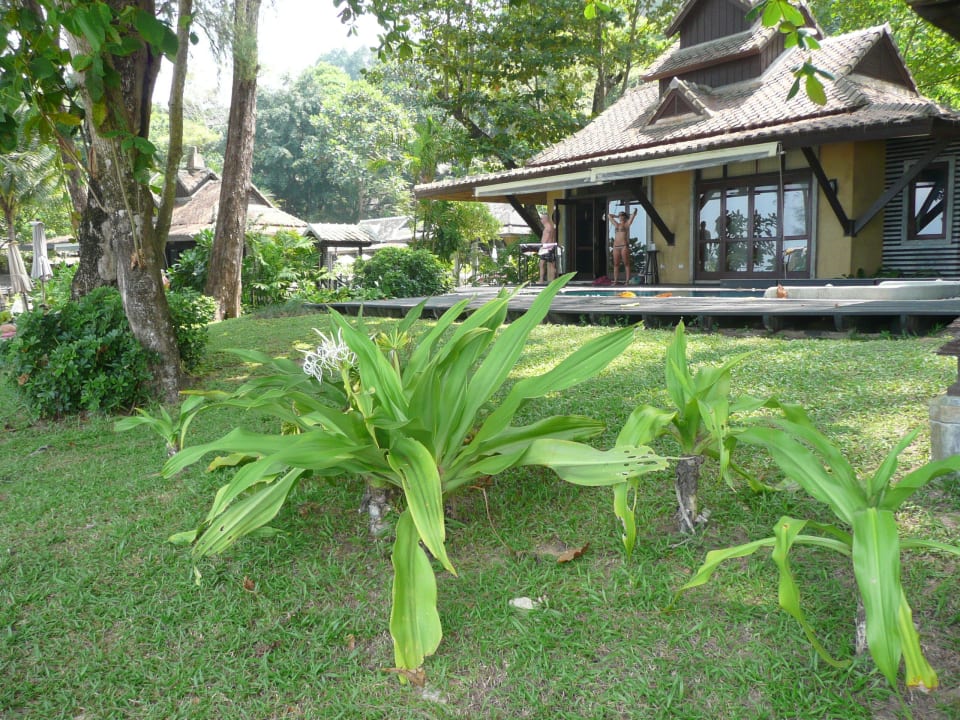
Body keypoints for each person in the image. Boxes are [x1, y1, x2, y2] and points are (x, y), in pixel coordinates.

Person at [611, 208, 638, 285]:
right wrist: (616, 216)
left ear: (624, 217)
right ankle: (615, 281)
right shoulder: (616, 224)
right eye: (619, 216)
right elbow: (609, 216)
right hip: (616, 246)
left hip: (623, 246)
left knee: (626, 263)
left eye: (621, 215)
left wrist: (634, 212)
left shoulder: (627, 224)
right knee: (616, 264)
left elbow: (633, 216)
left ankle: (627, 281)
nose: (620, 217)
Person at [538, 212, 558, 284]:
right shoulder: (551, 227)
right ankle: (546, 280)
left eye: (541, 219)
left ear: (545, 219)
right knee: (547, 264)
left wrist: (542, 246)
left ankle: (543, 280)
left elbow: (546, 238)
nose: (541, 220)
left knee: (547, 264)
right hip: (550, 247)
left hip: (546, 247)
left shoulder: (548, 228)